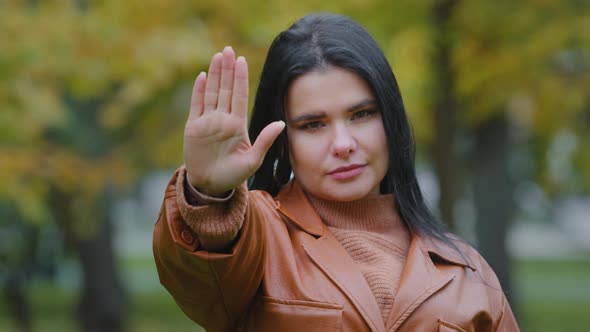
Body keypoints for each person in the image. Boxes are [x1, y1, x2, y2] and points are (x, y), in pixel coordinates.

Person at [153, 13, 519, 332]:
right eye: (313, 124)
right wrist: (209, 196)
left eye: (361, 114)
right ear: (285, 141)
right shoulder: (254, 235)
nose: (343, 144)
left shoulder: (469, 272)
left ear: (391, 120)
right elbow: (200, 280)